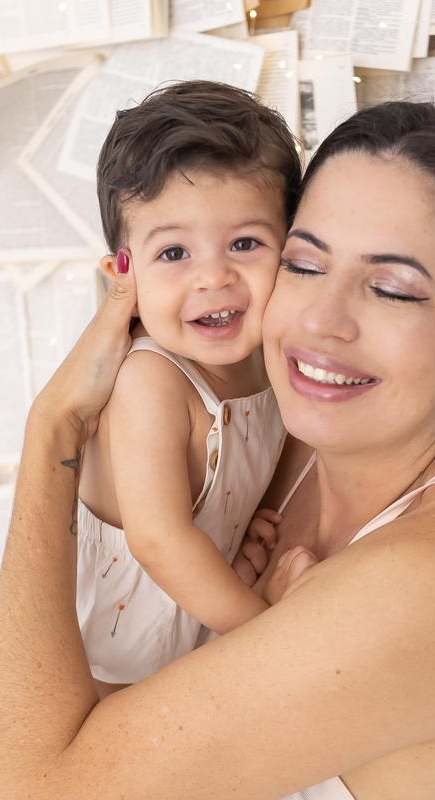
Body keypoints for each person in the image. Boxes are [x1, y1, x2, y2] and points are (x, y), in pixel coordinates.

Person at [0, 102, 435, 800]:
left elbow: (24, 789)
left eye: (391, 289)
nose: (320, 322)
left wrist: (53, 427)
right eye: (303, 265)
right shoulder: (297, 442)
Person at [74, 80, 313, 696]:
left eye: (244, 243)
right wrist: (269, 637)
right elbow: (158, 539)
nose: (213, 276)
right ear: (122, 276)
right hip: (107, 669)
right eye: (174, 252)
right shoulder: (149, 380)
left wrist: (234, 552)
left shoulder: (270, 360)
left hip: (190, 642)